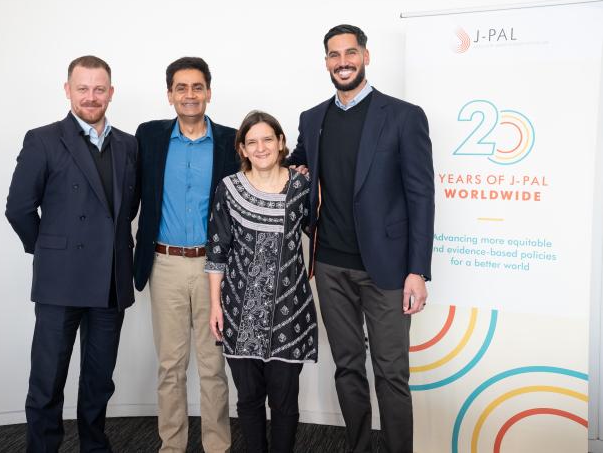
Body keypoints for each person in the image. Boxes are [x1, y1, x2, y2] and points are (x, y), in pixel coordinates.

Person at [288, 25, 434, 453]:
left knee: (391, 373)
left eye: (350, 52)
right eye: (334, 55)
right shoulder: (312, 118)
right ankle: (357, 447)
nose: (342, 61)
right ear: (327, 62)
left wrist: (417, 270)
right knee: (347, 367)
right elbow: (301, 164)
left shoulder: (404, 116)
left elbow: (421, 196)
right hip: (330, 266)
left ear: (366, 57)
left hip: (387, 269)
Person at [5, 55, 138, 452]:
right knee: (47, 380)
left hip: (110, 281)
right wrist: (48, 248)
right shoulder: (43, 139)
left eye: (100, 89)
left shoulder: (128, 145)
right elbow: (19, 209)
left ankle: (94, 446)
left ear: (111, 92)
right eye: (83, 88)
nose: (91, 97)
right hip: (59, 281)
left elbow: (127, 208)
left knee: (100, 380)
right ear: (68, 90)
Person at [134, 57, 239, 453]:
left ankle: (217, 447)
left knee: (213, 367)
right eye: (181, 88)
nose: (190, 95)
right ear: (170, 94)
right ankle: (171, 446)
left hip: (216, 269)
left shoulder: (232, 140)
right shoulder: (150, 137)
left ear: (209, 92)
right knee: (170, 367)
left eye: (197, 87)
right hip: (165, 266)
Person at [206, 111, 317, 453]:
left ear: (282, 143)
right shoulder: (228, 188)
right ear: (242, 148)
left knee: (285, 404)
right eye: (252, 141)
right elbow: (217, 251)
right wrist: (215, 306)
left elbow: (324, 233)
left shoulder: (302, 187)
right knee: (249, 401)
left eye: (268, 139)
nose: (261, 147)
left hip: (289, 312)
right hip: (239, 313)